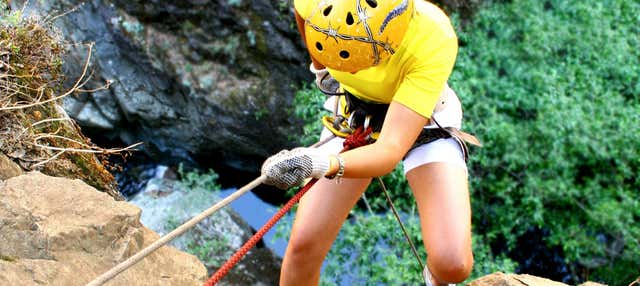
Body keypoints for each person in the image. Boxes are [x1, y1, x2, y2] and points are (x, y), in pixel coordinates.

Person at [261, 0, 479, 285]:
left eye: (359, 57)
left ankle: (436, 278)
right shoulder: (319, 3)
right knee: (304, 246)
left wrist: (316, 163)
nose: (350, 70)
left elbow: (388, 150)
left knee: (453, 263)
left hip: (426, 123)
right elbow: (300, 10)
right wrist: (321, 69)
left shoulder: (432, 35)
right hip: (357, 116)